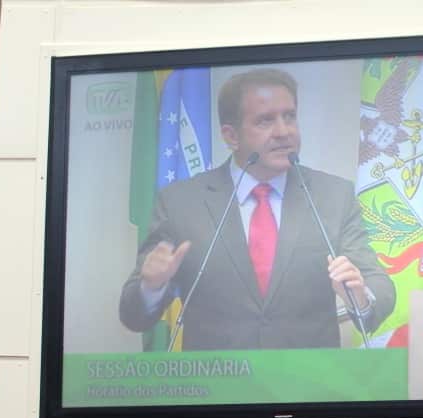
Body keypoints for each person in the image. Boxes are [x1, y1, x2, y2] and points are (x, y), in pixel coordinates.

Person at [119, 68, 395, 350]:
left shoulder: (332, 196)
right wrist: (151, 287)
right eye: (265, 121)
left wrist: (361, 296)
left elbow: (380, 287)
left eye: (289, 116)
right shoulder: (181, 203)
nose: (283, 131)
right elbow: (132, 315)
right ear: (231, 136)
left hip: (308, 385)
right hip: (218, 386)